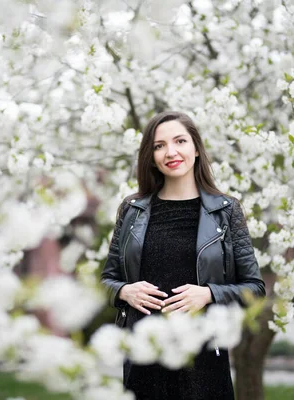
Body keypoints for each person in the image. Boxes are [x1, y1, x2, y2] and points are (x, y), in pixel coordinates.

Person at [101, 111, 266, 400]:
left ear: (196, 148)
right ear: (150, 156)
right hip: (144, 354)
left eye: (180, 141)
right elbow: (107, 281)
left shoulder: (226, 211)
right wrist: (125, 291)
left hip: (204, 355)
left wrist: (209, 294)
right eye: (159, 145)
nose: (171, 152)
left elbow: (255, 288)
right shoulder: (132, 210)